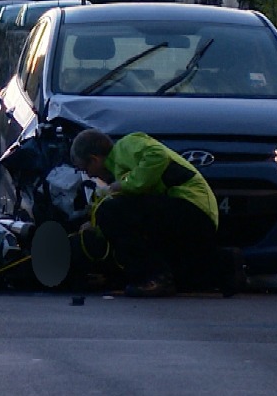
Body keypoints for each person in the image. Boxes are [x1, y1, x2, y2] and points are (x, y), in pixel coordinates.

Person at [70, 128, 241, 298]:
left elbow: (157, 155)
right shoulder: (120, 169)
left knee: (110, 210)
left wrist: (124, 185)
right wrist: (96, 227)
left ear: (94, 159)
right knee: (173, 266)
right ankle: (224, 265)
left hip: (190, 206)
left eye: (85, 169)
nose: (89, 175)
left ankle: (152, 278)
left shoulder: (126, 145)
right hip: (197, 216)